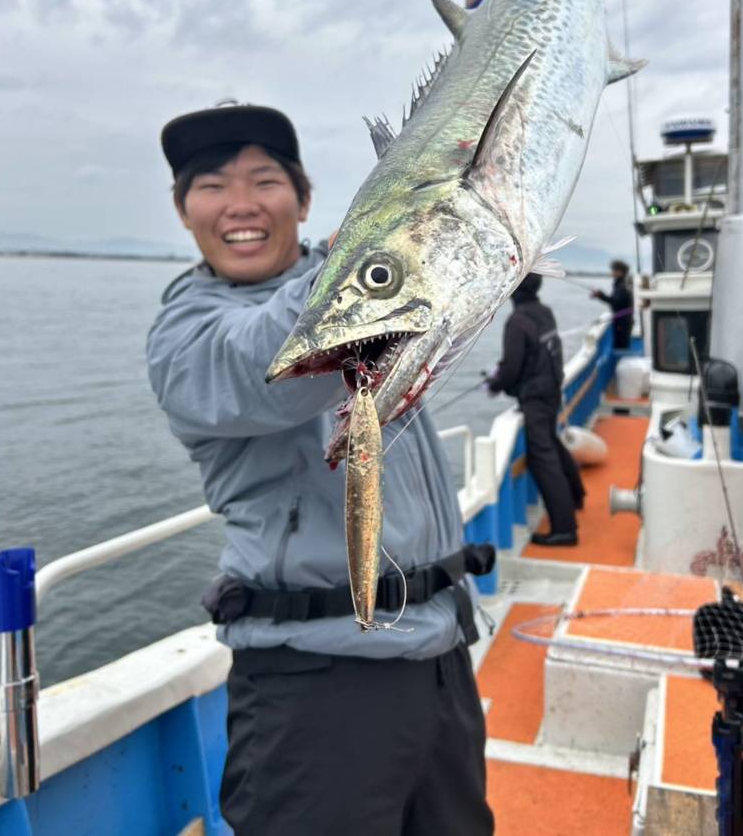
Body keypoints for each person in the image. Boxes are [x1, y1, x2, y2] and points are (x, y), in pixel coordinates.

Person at [146, 100, 496, 835]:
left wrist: (486, 25)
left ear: (303, 198)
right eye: (210, 185)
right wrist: (369, 257)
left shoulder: (383, 280)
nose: (240, 204)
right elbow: (270, 357)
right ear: (183, 212)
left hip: (440, 656)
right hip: (316, 689)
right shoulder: (185, 339)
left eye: (264, 179)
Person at [486, 273, 585, 547]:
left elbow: (511, 368)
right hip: (552, 391)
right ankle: (576, 494)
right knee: (551, 442)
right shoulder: (544, 312)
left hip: (536, 398)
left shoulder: (518, 321)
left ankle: (565, 529)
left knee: (544, 459)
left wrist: (495, 384)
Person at [591, 259, 634, 349]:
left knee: (621, 346)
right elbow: (616, 301)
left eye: (614, 270)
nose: (612, 272)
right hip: (624, 320)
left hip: (622, 322)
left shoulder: (622, 286)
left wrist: (600, 295)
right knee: (622, 344)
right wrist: (600, 295)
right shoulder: (622, 284)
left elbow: (615, 301)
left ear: (620, 272)